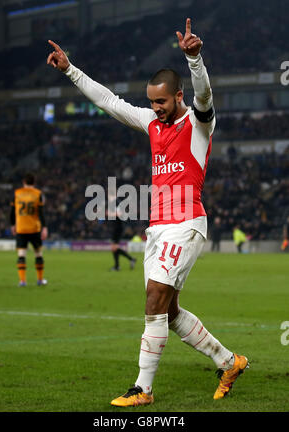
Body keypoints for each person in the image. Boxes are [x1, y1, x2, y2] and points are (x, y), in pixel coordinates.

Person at [47, 18, 249, 406]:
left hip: (186, 224)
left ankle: (143, 389)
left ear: (177, 96)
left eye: (161, 101)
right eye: (151, 102)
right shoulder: (152, 124)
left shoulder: (197, 124)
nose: (155, 109)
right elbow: (109, 101)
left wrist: (195, 60)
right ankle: (229, 361)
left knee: (153, 299)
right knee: (168, 312)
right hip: (157, 228)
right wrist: (71, 70)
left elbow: (205, 96)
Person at [10, 173, 48, 286]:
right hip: (34, 228)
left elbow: (12, 212)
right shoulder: (38, 194)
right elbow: (41, 213)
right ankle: (40, 280)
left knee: (21, 254)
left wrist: (13, 225)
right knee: (38, 254)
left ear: (23, 182)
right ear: (34, 182)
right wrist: (44, 227)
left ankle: (22, 281)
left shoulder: (17, 193)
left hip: (21, 228)